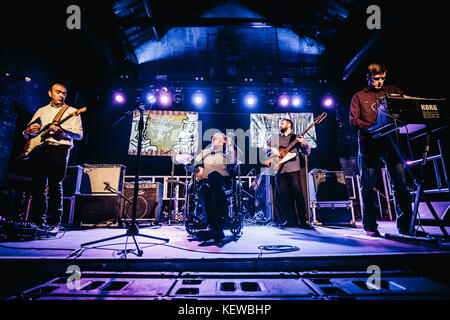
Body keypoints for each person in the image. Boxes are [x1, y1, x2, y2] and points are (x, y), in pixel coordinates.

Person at [349, 62, 413, 237]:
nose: (379, 82)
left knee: (401, 185)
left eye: (382, 79)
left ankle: (407, 225)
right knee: (367, 186)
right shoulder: (359, 96)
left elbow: (407, 109)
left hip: (391, 143)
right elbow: (354, 121)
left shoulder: (393, 90)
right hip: (369, 144)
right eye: (376, 79)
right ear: (368, 77)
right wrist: (373, 127)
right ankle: (370, 226)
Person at [23, 83, 83, 234]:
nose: (62, 95)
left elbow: (79, 135)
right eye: (58, 92)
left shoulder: (73, 112)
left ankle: (54, 222)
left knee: (55, 184)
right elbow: (27, 132)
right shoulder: (41, 111)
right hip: (41, 148)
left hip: (60, 148)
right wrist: (27, 131)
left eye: (64, 93)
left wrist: (64, 133)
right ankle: (38, 221)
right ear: (50, 93)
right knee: (38, 185)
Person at [266, 119, 313, 229]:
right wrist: (273, 149)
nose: (280, 125)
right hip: (279, 170)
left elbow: (308, 152)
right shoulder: (276, 138)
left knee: (298, 195)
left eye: (282, 123)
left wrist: (304, 143)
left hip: (293, 169)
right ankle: (289, 220)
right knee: (283, 196)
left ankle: (303, 221)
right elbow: (266, 148)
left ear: (289, 125)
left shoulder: (296, 138)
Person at [191, 132, 236, 242]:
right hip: (206, 182)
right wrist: (198, 168)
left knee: (213, 175)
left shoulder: (227, 153)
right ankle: (214, 226)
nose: (218, 140)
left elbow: (234, 161)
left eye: (221, 139)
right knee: (204, 188)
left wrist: (230, 145)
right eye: (215, 138)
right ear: (212, 141)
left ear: (224, 141)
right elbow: (192, 164)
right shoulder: (204, 152)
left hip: (222, 182)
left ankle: (218, 221)